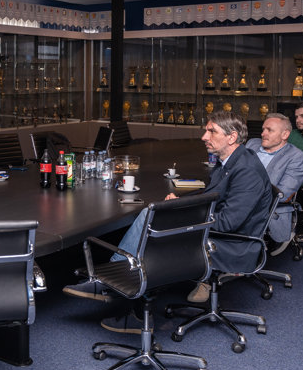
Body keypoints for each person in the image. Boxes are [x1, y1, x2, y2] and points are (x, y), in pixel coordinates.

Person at [63, 112, 272, 332]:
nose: (204, 137)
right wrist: (179, 204)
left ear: (232, 137)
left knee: (153, 225)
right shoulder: (231, 161)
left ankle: (119, 292)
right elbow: (212, 198)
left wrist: (182, 214)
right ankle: (129, 303)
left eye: (212, 131)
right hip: (219, 234)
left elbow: (229, 223)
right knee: (155, 219)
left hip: (235, 245)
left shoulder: (246, 170)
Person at [246, 113, 303, 254]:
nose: (263, 134)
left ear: (285, 134)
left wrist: (245, 194)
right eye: (263, 129)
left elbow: (283, 194)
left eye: (269, 130)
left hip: (266, 207)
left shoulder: (296, 157)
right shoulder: (252, 144)